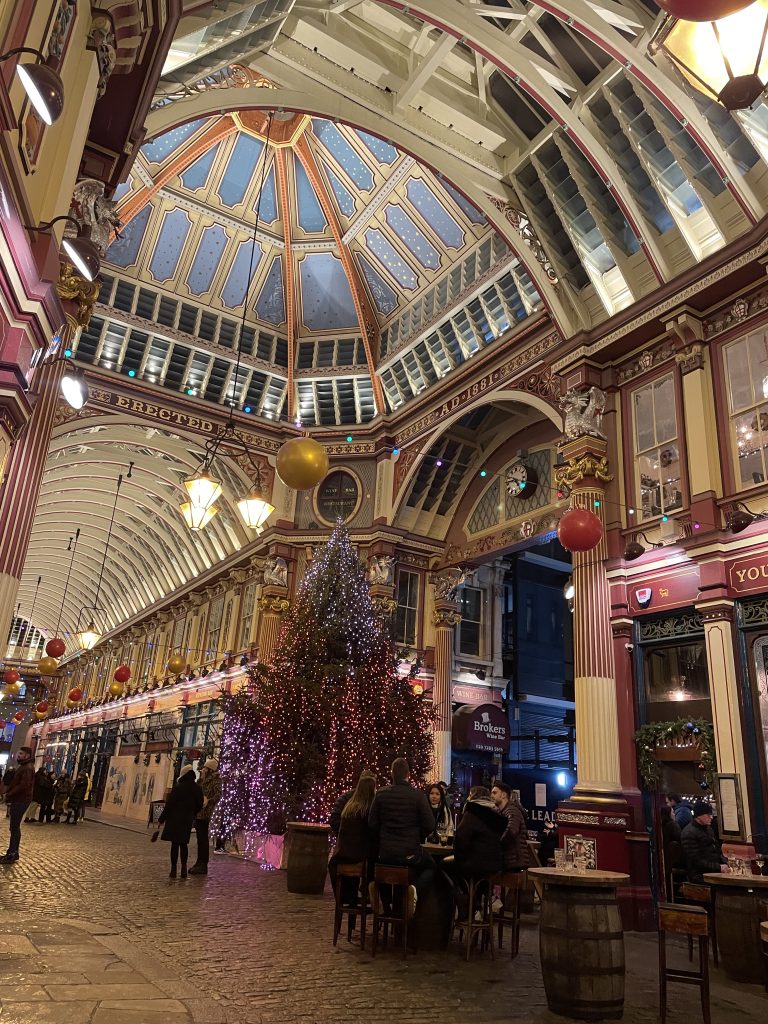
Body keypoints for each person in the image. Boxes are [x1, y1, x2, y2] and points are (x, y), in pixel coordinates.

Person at [368, 758, 435, 913]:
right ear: (408, 774)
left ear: (392, 774)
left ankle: (383, 897)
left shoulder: (381, 794)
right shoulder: (417, 796)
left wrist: (383, 835)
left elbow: (372, 824)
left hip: (385, 854)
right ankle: (414, 890)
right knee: (432, 866)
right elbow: (430, 824)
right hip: (409, 853)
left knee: (386, 869)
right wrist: (419, 835)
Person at [328, 770, 377, 904]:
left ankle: (350, 898)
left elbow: (335, 819)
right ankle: (373, 896)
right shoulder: (371, 806)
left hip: (343, 854)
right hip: (360, 856)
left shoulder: (349, 805)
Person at [452, 786, 507, 883]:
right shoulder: (496, 814)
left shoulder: (473, 812)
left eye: (469, 795)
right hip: (495, 864)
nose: (468, 798)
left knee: (443, 865)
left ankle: (461, 895)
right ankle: (479, 895)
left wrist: (460, 858)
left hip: (476, 863)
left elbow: (461, 837)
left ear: (473, 796)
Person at [158, 765, 204, 879]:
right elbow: (200, 803)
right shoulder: (197, 788)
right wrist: (192, 813)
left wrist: (161, 819)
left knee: (175, 844)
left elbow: (170, 805)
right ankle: (183, 869)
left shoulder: (178, 787)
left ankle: (173, 870)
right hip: (187, 819)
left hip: (175, 818)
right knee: (184, 844)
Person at [0, 746, 35, 863]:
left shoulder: (27, 768)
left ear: (27, 755)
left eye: (21, 754)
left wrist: (8, 795)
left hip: (21, 800)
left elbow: (23, 785)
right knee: (14, 827)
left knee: (14, 827)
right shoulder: (24, 767)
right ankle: (12, 852)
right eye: (18, 753)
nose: (18, 755)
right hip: (19, 799)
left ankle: (12, 853)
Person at [681, 801, 728, 884]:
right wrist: (719, 867)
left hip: (714, 870)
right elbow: (695, 861)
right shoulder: (689, 833)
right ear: (699, 816)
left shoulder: (708, 829)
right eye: (708, 815)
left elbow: (717, 850)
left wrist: (726, 863)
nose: (711, 817)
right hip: (700, 874)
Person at [189, 758, 221, 876]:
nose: (202, 769)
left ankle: (203, 864)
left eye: (205, 768)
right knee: (200, 838)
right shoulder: (203, 779)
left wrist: (209, 801)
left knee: (203, 839)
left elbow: (218, 795)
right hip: (199, 811)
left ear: (209, 769)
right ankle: (199, 862)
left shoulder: (216, 780)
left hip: (206, 812)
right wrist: (200, 779)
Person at [490, 781, 529, 871]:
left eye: (495, 793)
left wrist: (498, 843)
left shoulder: (511, 811)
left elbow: (512, 831)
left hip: (515, 861)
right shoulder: (503, 811)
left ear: (503, 795)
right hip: (511, 860)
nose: (491, 795)